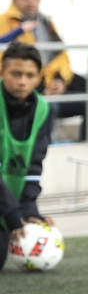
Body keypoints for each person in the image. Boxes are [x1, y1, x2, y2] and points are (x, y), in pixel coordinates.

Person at [0, 0, 87, 133]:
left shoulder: (45, 21)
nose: (31, 2)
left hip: (51, 81)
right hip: (26, 86)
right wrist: (37, 84)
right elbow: (5, 65)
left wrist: (60, 79)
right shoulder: (3, 22)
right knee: (47, 107)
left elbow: (61, 54)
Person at [0, 41, 53, 271]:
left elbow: (33, 165)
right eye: (16, 74)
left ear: (39, 77)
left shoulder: (43, 109)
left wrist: (29, 211)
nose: (23, 81)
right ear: (1, 72)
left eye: (30, 75)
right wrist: (13, 214)